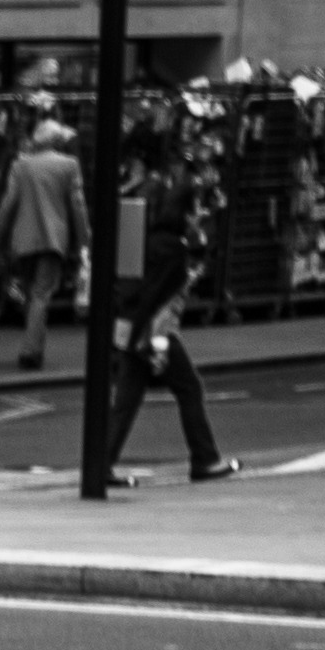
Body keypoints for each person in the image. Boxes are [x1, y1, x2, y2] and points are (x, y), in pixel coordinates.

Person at [97, 158, 237, 485]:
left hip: (132, 331)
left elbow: (136, 293)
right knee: (190, 388)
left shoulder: (150, 240)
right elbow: (157, 301)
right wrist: (154, 346)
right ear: (184, 213)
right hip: (153, 333)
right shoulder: (173, 250)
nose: (199, 219)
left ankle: (101, 464)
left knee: (126, 402)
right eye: (195, 212)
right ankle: (204, 460)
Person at [0, 115, 87, 370]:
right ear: (57, 141)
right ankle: (30, 352)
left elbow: (8, 204)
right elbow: (77, 206)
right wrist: (85, 241)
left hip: (23, 240)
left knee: (30, 295)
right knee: (41, 295)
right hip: (53, 239)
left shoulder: (20, 165)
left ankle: (33, 344)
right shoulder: (69, 165)